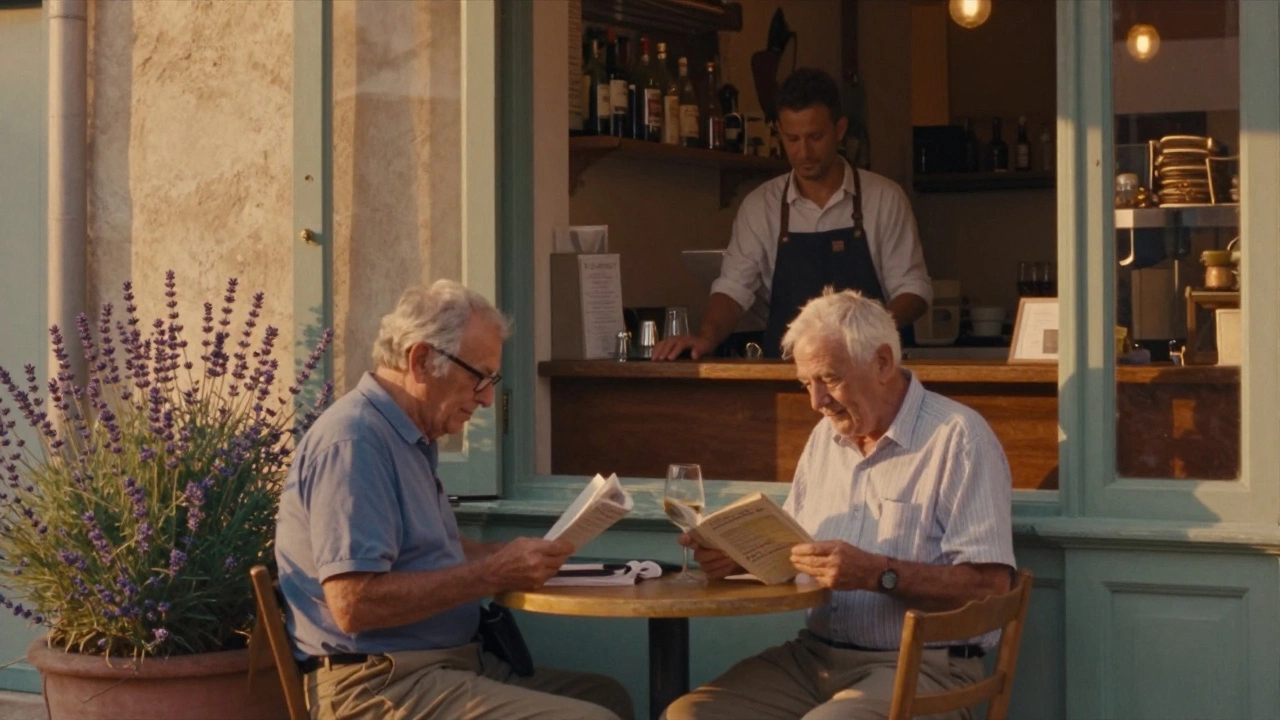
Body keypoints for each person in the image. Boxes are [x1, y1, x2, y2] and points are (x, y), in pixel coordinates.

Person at [275, 280, 633, 720]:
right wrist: (492, 572)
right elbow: (354, 603)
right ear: (421, 360)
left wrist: (502, 554)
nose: (486, 399)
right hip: (375, 685)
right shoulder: (356, 442)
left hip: (442, 666)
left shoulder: (408, 434)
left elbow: (422, 548)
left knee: (608, 697)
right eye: (479, 377)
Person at [662, 288, 1015, 720]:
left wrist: (879, 574)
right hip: (815, 658)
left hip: (925, 664)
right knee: (691, 714)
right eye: (805, 384)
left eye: (829, 379)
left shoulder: (957, 437)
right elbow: (793, 551)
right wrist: (737, 559)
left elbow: (990, 588)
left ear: (883, 362)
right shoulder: (824, 438)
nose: (816, 402)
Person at [652, 68, 931, 361]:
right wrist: (706, 337)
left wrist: (866, 334)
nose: (804, 152)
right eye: (792, 139)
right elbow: (734, 288)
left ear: (840, 129)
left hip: (871, 371)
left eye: (815, 137)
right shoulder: (760, 206)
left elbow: (914, 290)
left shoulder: (884, 199)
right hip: (787, 375)